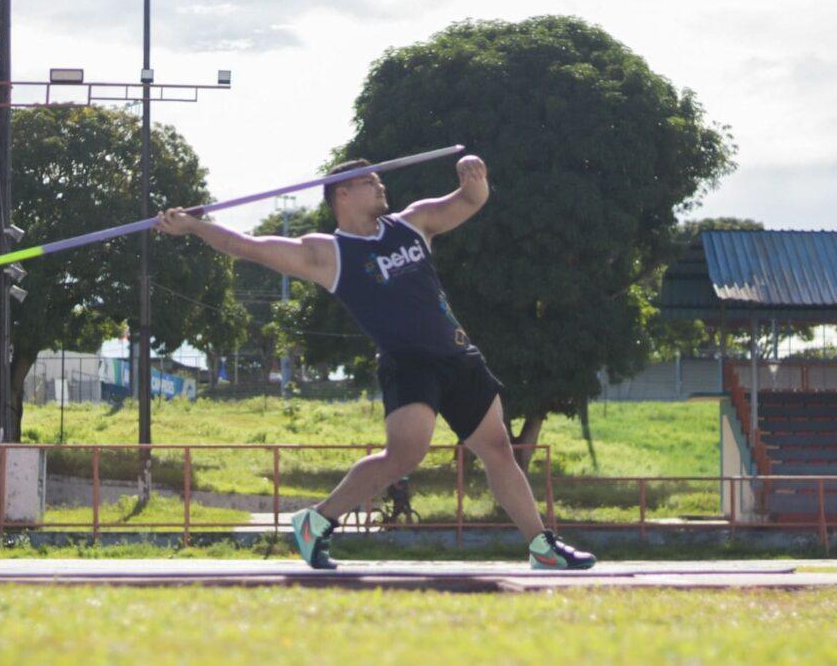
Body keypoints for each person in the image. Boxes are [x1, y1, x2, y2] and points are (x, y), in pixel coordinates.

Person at [155, 154, 595, 571]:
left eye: (379, 178)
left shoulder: (414, 222)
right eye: (369, 181)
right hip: (409, 364)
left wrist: (473, 176)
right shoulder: (327, 254)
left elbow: (469, 201)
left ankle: (541, 546)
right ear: (341, 195)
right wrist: (194, 226)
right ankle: (317, 520)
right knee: (406, 453)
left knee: (498, 449)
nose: (380, 184)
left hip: (459, 356)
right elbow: (244, 246)